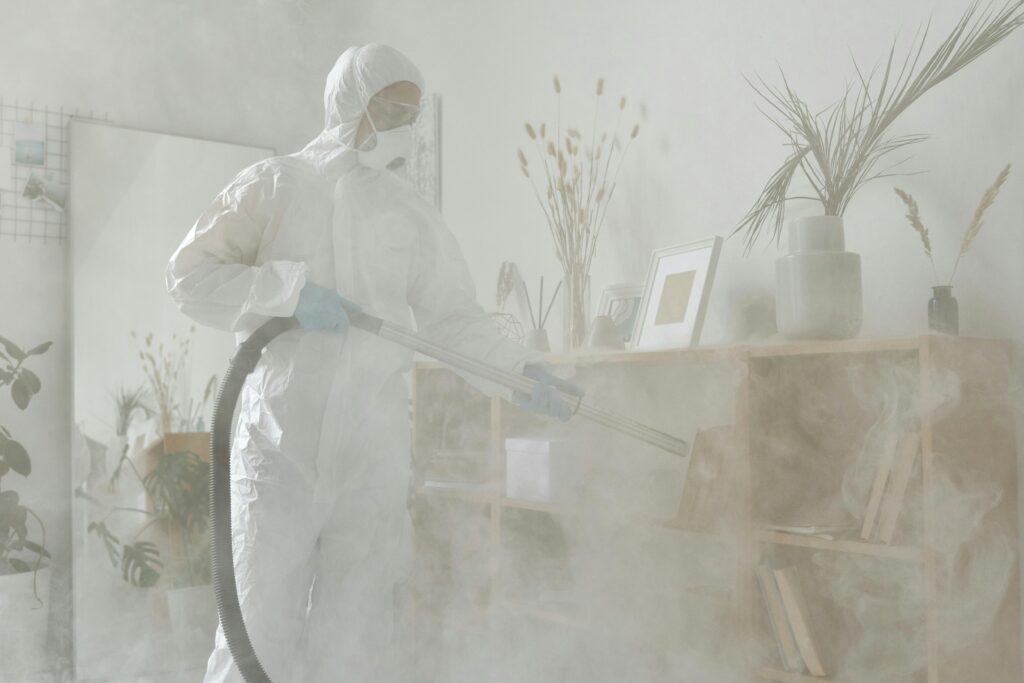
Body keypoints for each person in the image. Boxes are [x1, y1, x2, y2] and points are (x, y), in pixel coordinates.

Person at [166, 43, 581, 681]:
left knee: (356, 639)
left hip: (371, 452)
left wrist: (517, 371)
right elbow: (190, 276)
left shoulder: (408, 212)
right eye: (389, 109)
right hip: (280, 449)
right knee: (255, 632)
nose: (401, 129)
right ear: (351, 103)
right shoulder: (276, 184)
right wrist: (289, 292)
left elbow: (454, 319)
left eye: (411, 116)